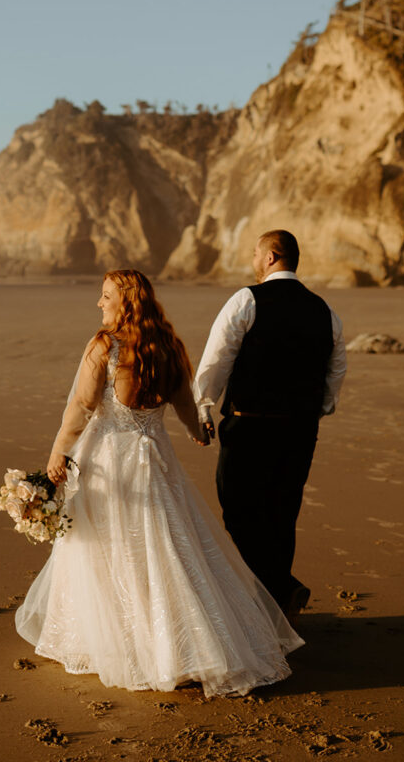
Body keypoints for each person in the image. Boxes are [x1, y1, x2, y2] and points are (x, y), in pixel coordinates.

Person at [15, 269, 302, 697]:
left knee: (109, 548)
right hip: (156, 460)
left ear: (126, 302)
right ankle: (185, 640)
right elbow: (186, 402)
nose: (100, 303)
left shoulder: (105, 346)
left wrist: (58, 452)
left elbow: (81, 405)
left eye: (106, 295)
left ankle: (124, 641)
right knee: (165, 546)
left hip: (110, 460)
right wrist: (196, 430)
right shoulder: (167, 347)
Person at [193, 230, 347, 622]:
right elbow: (336, 367)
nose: (252, 260)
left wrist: (202, 406)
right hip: (300, 430)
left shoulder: (247, 299)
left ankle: (273, 591)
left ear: (271, 257)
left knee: (238, 508)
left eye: (255, 253)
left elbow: (217, 357)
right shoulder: (324, 310)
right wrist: (322, 407)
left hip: (250, 427)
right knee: (282, 512)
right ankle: (276, 599)